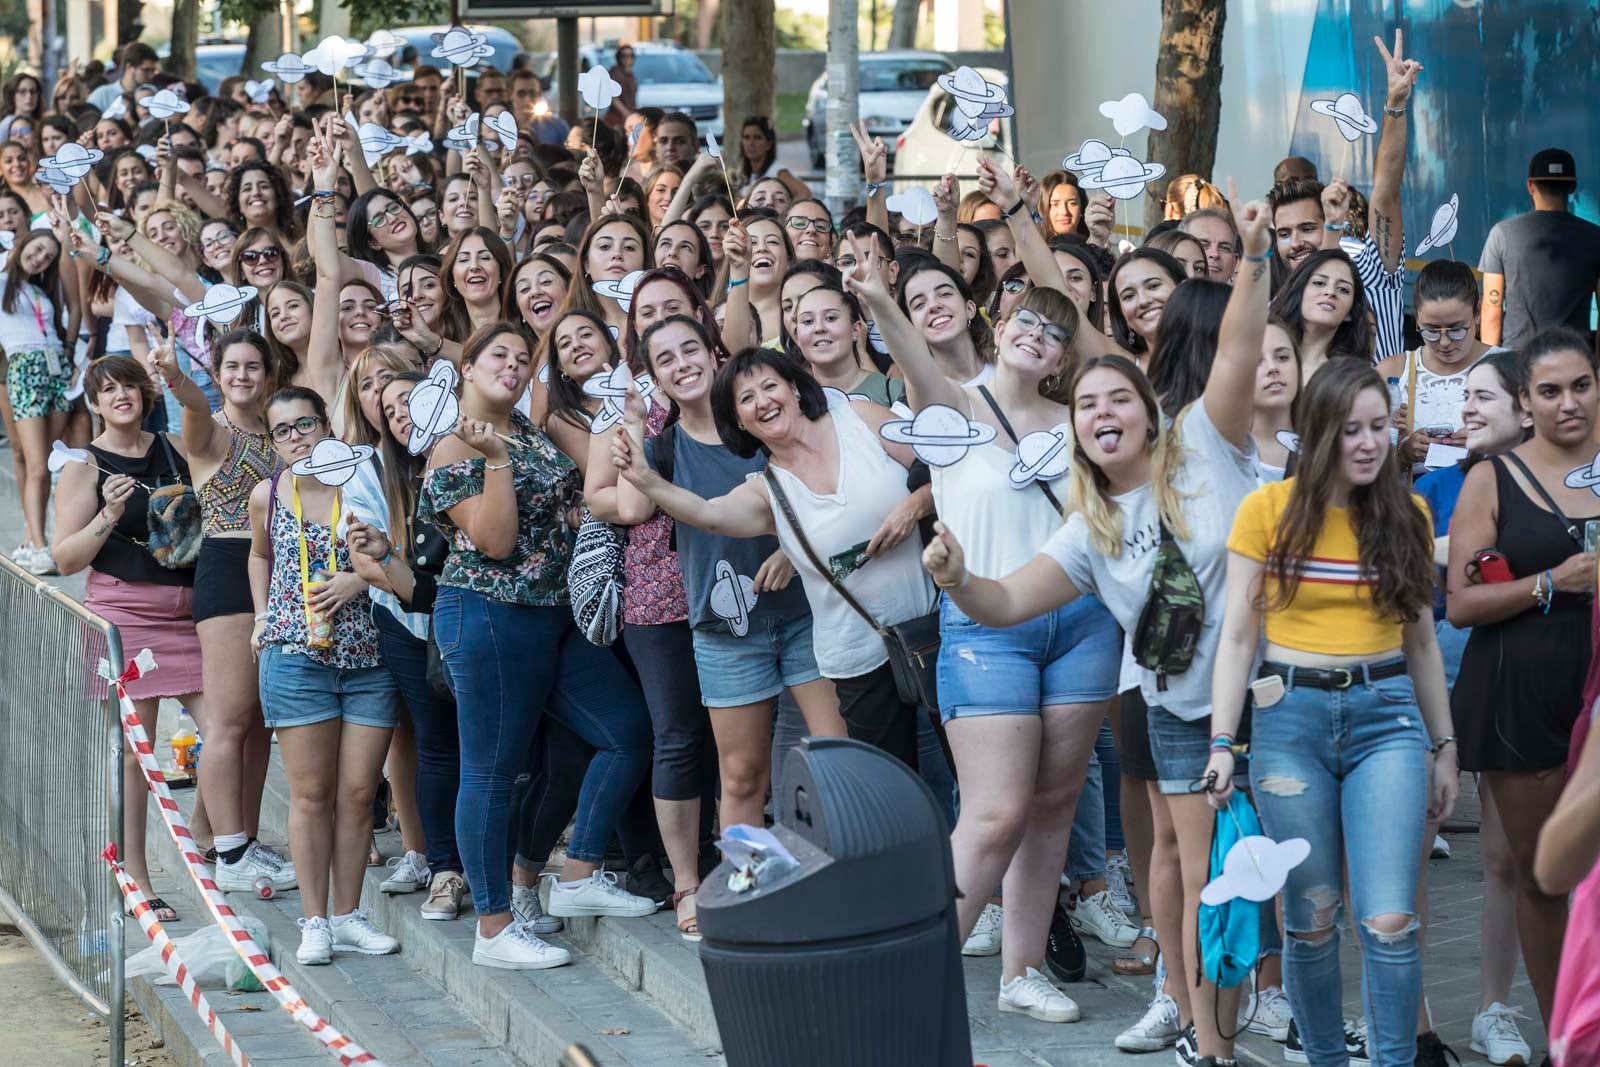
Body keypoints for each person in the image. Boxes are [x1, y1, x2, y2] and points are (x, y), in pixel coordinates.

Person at [920, 197, 1273, 1061]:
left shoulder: (1202, 443)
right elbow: (1003, 603)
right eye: (1086, 405)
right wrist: (959, 577)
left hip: (1278, 694)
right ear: (1073, 429)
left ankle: (1293, 1019)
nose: (1102, 409)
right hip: (1186, 716)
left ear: (1149, 412)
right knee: (1207, 881)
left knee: (1303, 884)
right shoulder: (1088, 528)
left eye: (1120, 394)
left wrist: (1255, 258)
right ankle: (1209, 1040)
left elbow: (1235, 347)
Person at [1207, 357, 1458, 1067]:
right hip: (1290, 719)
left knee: (1389, 918)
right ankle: (1323, 1058)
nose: (1370, 442)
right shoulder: (1266, 510)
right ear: (1318, 433)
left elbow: (1422, 645)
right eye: (1351, 429)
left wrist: (1446, 745)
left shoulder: (1407, 512)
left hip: (1388, 718)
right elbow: (1236, 637)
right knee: (1310, 919)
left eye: (1380, 426)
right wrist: (1223, 740)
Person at [419, 321, 658, 971]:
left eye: (524, 358)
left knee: (626, 729)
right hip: (489, 616)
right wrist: (494, 459)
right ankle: (494, 927)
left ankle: (571, 871)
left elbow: (574, 495)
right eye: (498, 353)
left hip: (552, 616)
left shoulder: (530, 428)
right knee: (491, 771)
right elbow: (494, 540)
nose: (515, 365)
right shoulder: (451, 447)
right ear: (465, 365)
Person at [1446, 328, 1599, 1042]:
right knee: (1544, 874)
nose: (1568, 403)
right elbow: (1463, 602)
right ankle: (1566, 1035)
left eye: (1581, 385)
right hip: (1519, 693)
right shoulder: (1493, 477)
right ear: (1526, 403)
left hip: (1594, 688)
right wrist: (1550, 582)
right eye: (1550, 391)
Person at [248, 386, 402, 966]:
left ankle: (349, 913)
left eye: (304, 425)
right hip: (295, 654)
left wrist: (358, 580)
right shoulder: (268, 492)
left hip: (369, 655)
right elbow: (258, 554)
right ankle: (314, 921)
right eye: (281, 431)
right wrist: (262, 614)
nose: (295, 438)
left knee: (360, 794)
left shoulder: (362, 478)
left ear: (326, 425)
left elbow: (399, 548)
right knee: (311, 795)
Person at [52, 355, 208, 924]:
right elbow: (64, 556)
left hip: (189, 614)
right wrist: (109, 513)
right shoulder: (82, 465)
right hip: (126, 616)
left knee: (228, 733)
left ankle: (203, 841)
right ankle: (136, 878)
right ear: (93, 403)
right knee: (135, 757)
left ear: (144, 394)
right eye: (108, 390)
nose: (121, 396)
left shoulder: (171, 444)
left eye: (129, 387)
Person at [1413, 350, 1535, 1066]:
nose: (1465, 409)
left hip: (1536, 675)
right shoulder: (1436, 480)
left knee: (1510, 856)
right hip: (1449, 669)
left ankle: (1496, 1005)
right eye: (1463, 398)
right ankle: (1415, 1014)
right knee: (1429, 848)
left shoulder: (1568, 482)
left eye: (1482, 396)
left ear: (1527, 407)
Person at [149, 330, 296, 896]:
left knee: (260, 724)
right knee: (230, 721)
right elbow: (189, 402)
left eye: (252, 366)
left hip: (277, 569)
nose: (242, 376)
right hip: (229, 564)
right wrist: (175, 374)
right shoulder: (209, 427)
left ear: (268, 371)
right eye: (232, 366)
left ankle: (241, 841)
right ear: (218, 371)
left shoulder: (279, 428)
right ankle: (230, 851)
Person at [343, 371, 466, 920]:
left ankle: (502, 866)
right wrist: (391, 564)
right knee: (437, 745)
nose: (398, 414)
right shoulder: (370, 471)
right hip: (406, 626)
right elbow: (367, 558)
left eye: (408, 402)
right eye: (388, 407)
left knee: (493, 750)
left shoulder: (469, 454)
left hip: (476, 616)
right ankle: (445, 868)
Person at [1265, 32, 1419, 360]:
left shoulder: (1367, 267)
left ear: (1331, 218)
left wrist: (1395, 105)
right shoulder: (1274, 305)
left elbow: (1386, 192)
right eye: (1284, 233)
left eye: (1307, 228)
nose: (1296, 243)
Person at [1376, 260, 1503, 470]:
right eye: (1432, 330)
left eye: (1456, 329)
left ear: (1477, 313)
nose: (1444, 342)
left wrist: (1488, 443)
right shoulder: (1394, 372)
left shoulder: (1510, 368)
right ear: (1417, 319)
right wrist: (1403, 452)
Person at [1480, 148, 1600, 353]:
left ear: (1530, 186)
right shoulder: (1595, 237)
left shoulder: (1501, 235)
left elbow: (1492, 310)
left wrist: (1489, 366)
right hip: (1573, 360)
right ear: (1573, 186)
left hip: (1519, 360)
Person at [1, 227, 71, 574]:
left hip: (57, 367)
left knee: (48, 460)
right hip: (25, 368)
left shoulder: (40, 290)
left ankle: (30, 539)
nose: (41, 257)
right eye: (38, 248)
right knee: (37, 464)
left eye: (49, 256)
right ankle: (41, 546)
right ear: (24, 243)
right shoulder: (2, 283)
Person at [88, 42, 160, 112]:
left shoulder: (154, 95)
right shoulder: (102, 95)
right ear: (129, 67)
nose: (152, 75)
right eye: (146, 70)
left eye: (153, 70)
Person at [605, 44, 639, 128]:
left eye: (631, 56)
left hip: (630, 114)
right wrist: (625, 113)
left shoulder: (630, 74)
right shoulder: (614, 73)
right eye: (624, 56)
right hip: (616, 117)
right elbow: (613, 97)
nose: (628, 58)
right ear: (619, 57)